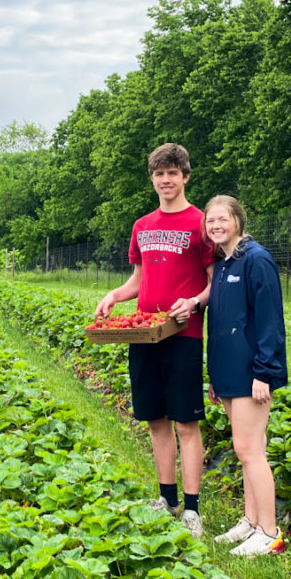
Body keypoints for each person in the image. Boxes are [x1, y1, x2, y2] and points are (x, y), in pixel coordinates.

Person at [95, 143, 214, 538]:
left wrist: (193, 304)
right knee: (156, 420)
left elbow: (216, 284)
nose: (165, 180)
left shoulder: (201, 223)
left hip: (183, 334)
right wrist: (114, 295)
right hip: (144, 334)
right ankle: (166, 498)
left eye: (172, 173)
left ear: (185, 177)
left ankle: (193, 509)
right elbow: (138, 280)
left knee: (186, 422)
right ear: (153, 179)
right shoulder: (142, 225)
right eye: (159, 174)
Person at [205, 195, 286, 556]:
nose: (216, 226)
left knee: (248, 449)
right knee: (247, 450)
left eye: (222, 219)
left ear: (238, 219)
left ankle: (269, 534)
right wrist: (214, 375)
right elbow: (221, 323)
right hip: (228, 371)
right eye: (210, 221)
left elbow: (270, 321)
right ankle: (251, 521)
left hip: (253, 373)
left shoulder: (257, 260)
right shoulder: (221, 264)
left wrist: (264, 373)